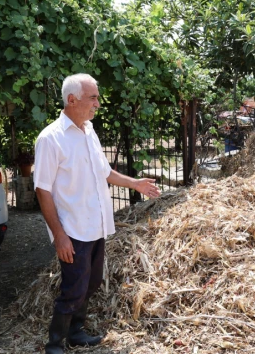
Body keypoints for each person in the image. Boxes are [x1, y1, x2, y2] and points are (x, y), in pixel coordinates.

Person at [34, 73, 161, 354]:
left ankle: (76, 333)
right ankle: (54, 344)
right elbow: (42, 190)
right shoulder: (51, 139)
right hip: (73, 229)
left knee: (90, 284)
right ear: (72, 99)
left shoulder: (89, 131)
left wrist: (134, 183)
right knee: (73, 289)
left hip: (95, 226)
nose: (97, 104)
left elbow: (104, 172)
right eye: (93, 97)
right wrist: (59, 236)